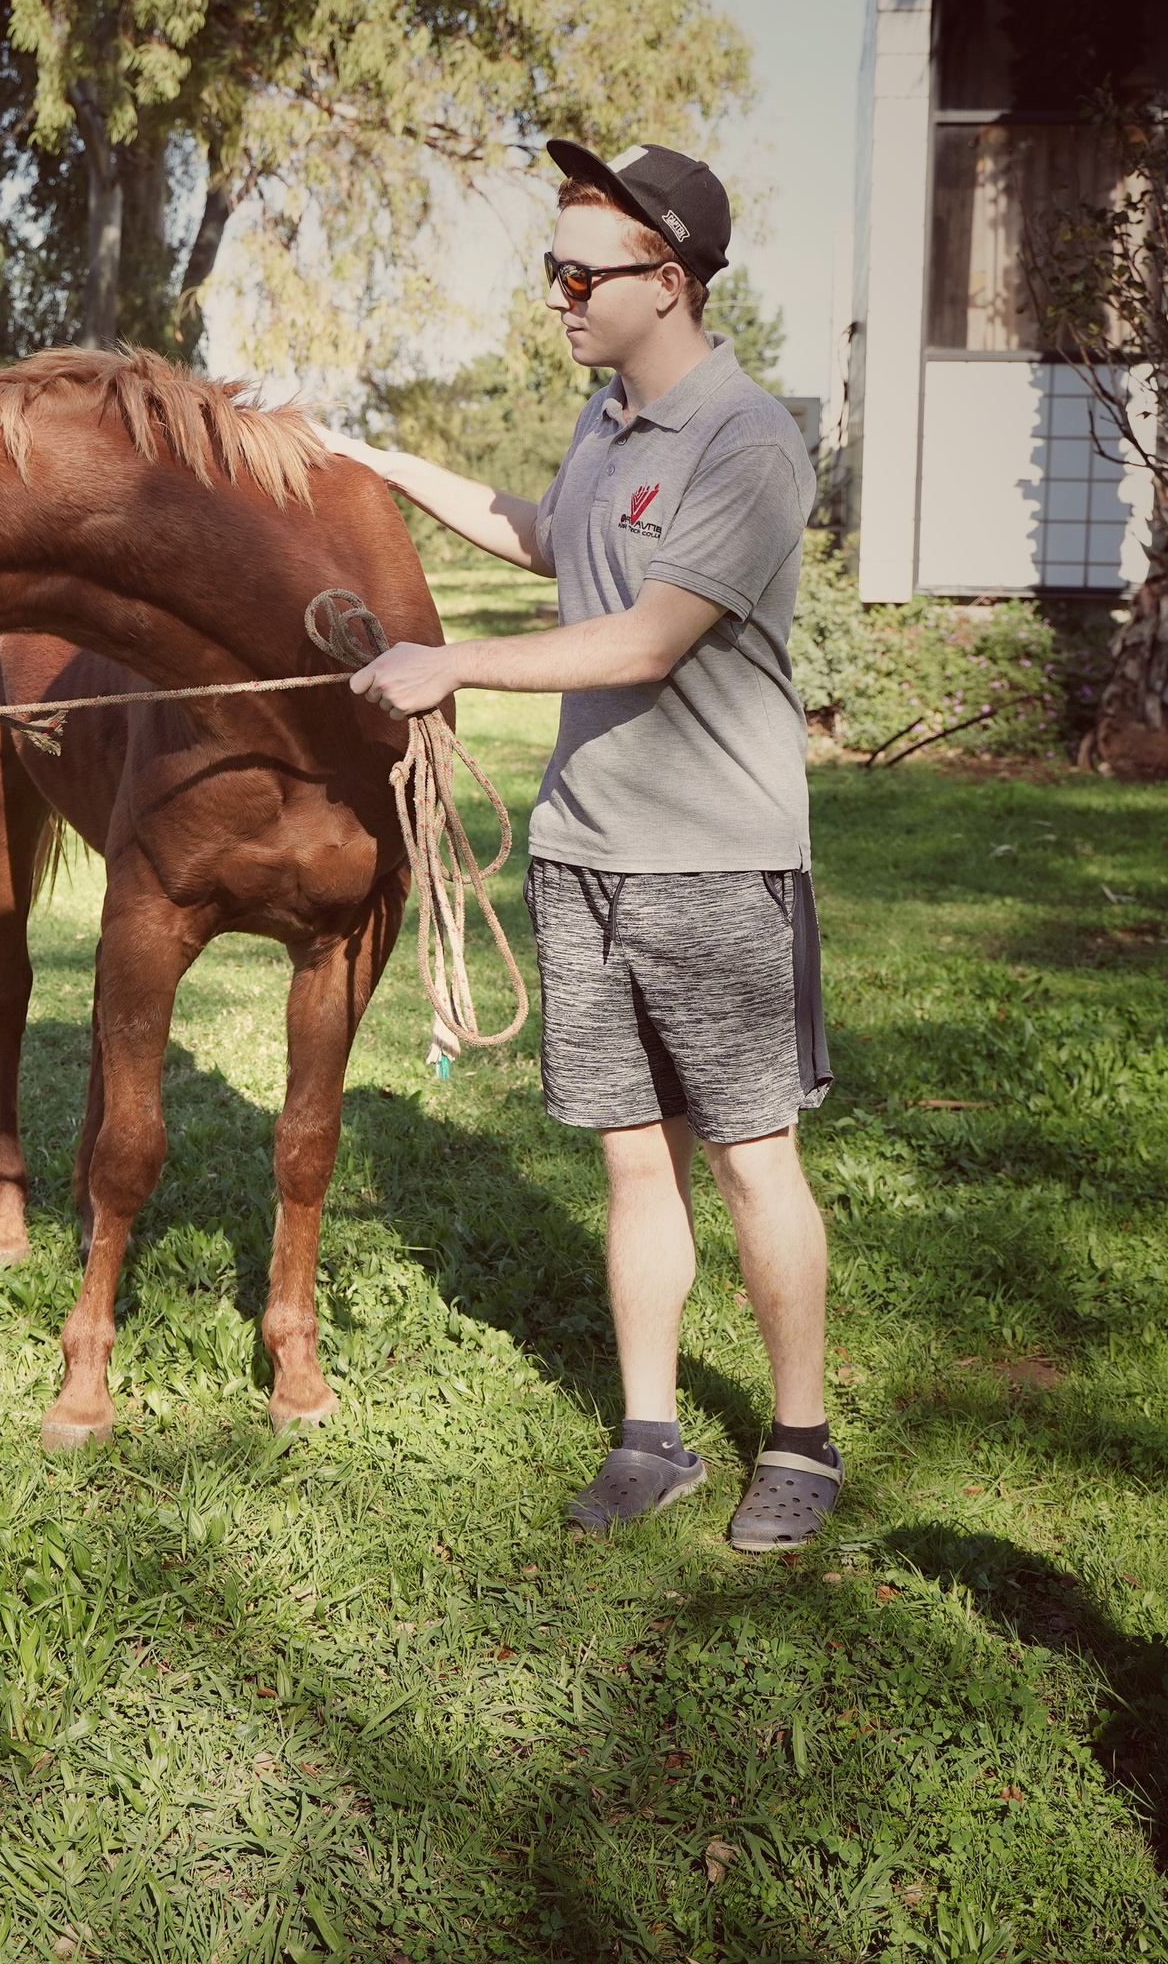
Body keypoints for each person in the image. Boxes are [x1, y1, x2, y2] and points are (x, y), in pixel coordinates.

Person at [325, 142, 839, 1551]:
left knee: (751, 1160)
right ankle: (651, 1434)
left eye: (577, 275)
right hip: (584, 855)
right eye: (550, 271)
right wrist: (377, 462)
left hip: (717, 864)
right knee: (631, 1161)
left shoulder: (746, 440)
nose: (555, 296)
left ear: (666, 281)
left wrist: (451, 664)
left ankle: (800, 1439)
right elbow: (550, 536)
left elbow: (650, 636)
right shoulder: (607, 421)